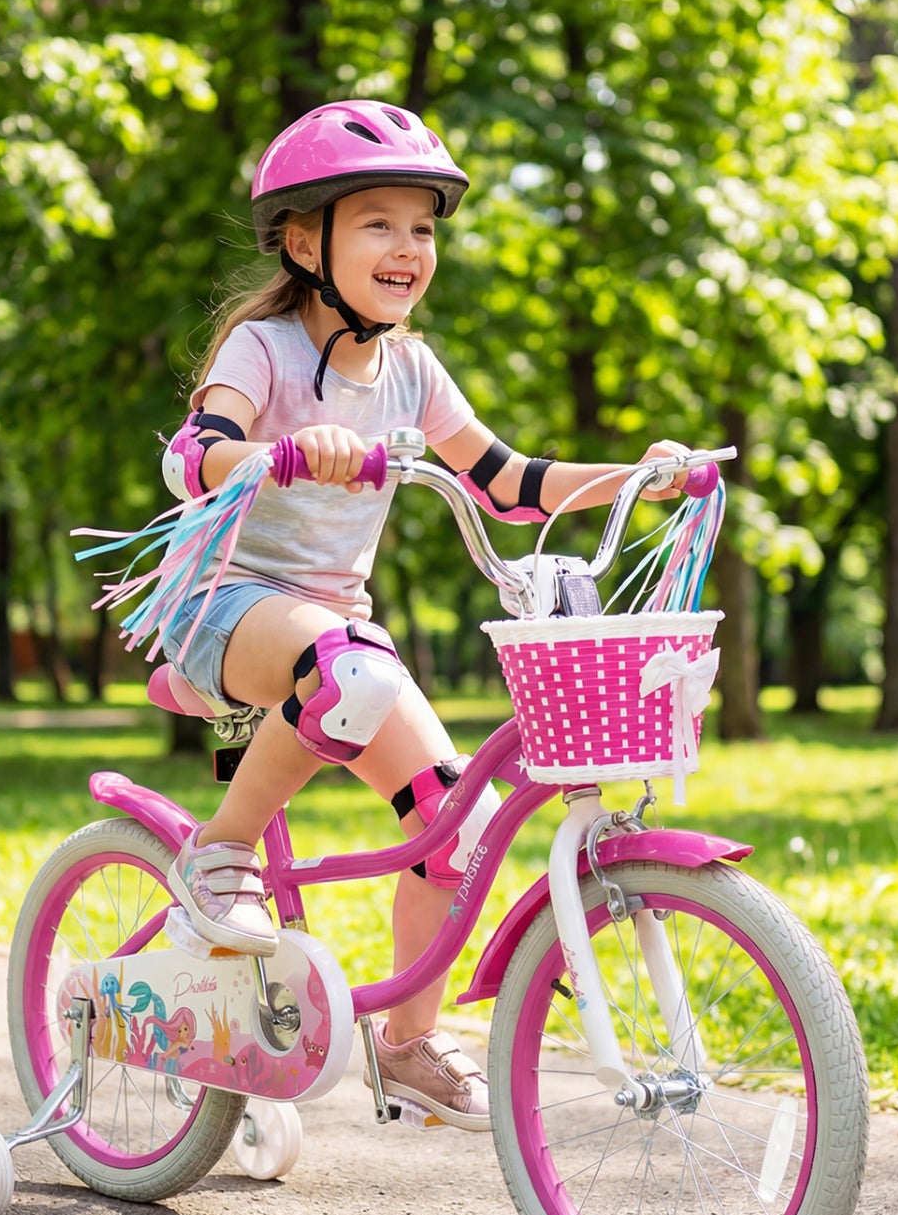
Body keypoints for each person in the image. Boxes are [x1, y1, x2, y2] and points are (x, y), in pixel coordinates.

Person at [158, 101, 689, 1129]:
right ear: (306, 241)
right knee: (345, 663)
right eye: (379, 224)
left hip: (337, 633)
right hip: (222, 610)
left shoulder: (409, 367)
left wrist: (637, 474)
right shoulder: (262, 350)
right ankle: (216, 850)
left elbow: (507, 481)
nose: (408, 248)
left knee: (456, 830)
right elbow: (191, 454)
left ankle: (403, 1043)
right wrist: (272, 453)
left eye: (424, 227)